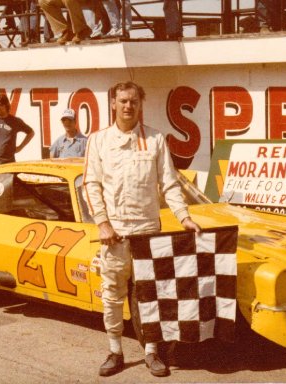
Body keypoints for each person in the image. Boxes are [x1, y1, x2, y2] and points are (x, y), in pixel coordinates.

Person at [83, 81, 201, 378]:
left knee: (150, 294)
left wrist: (184, 217)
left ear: (140, 104)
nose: (128, 106)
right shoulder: (97, 140)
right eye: (122, 101)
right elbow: (91, 184)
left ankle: (151, 352)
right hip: (115, 234)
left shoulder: (157, 139)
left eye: (133, 101)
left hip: (149, 231)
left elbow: (169, 184)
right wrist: (103, 222)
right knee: (112, 295)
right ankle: (114, 351)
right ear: (113, 103)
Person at [0, 94, 35, 167]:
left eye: (1, 105)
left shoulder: (15, 121)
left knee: (9, 178)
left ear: (6, 106)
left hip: (9, 163)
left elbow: (31, 133)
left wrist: (20, 147)